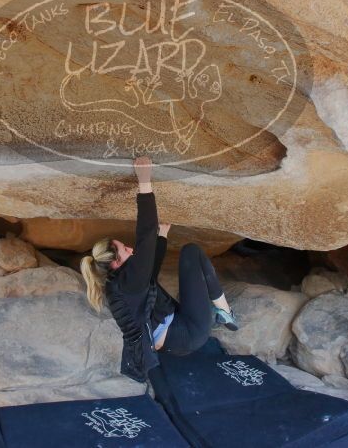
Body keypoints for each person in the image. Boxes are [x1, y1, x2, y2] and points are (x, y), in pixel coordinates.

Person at [80, 155, 238, 383]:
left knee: (187, 257)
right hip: (187, 333)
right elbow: (145, 233)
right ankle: (225, 312)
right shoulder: (128, 281)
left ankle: (222, 313)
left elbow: (150, 273)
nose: (130, 249)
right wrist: (144, 180)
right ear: (115, 263)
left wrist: (162, 237)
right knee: (191, 252)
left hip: (177, 337)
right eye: (124, 249)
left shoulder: (119, 284)